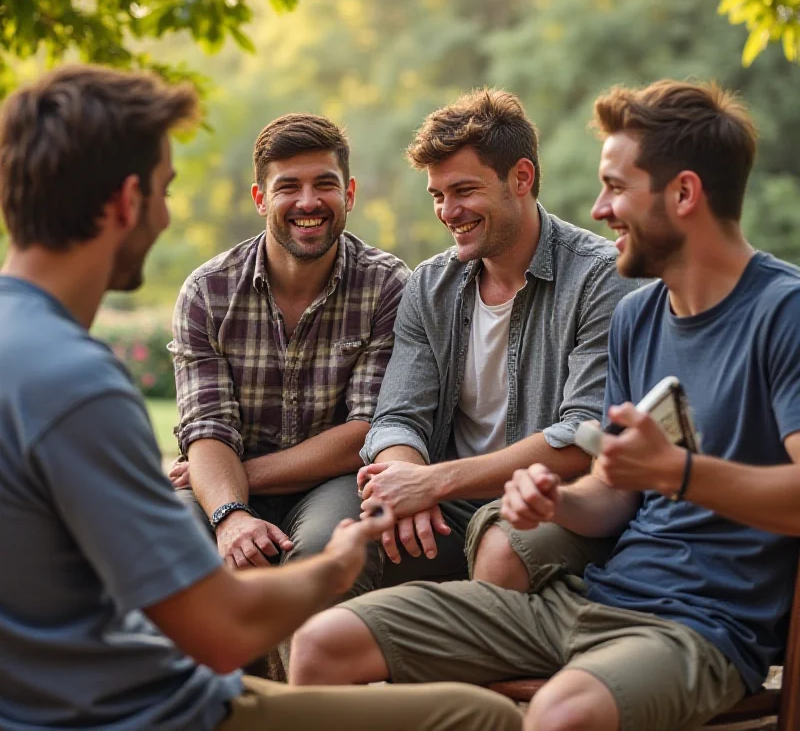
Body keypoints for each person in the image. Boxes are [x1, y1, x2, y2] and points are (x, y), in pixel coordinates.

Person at [0, 64, 522, 731]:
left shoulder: (31, 356)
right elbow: (221, 624)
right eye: (165, 191)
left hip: (91, 692)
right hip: (145, 710)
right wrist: (333, 567)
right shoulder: (79, 386)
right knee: (483, 717)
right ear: (128, 201)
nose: (165, 214)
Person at [291, 79, 800, 731]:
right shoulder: (640, 314)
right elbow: (614, 494)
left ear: (683, 194)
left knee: (560, 713)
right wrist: (558, 502)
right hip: (591, 598)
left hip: (698, 627)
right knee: (320, 645)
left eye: (616, 187)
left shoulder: (781, 313)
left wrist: (673, 473)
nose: (598, 207)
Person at [356, 88, 635, 585]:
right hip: (449, 503)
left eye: (464, 191)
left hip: (552, 504)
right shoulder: (429, 284)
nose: (447, 211)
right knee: (349, 546)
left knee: (501, 548)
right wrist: (405, 484)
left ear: (521, 178)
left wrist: (432, 482)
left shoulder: (599, 277)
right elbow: (399, 416)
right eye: (438, 196)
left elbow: (582, 436)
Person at [167, 113, 409, 608]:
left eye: (325, 184)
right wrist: (230, 511)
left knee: (324, 553)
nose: (308, 202)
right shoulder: (207, 292)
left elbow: (366, 432)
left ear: (350, 193)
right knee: (171, 546)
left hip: (334, 482)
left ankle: (308, 683)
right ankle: (207, 685)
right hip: (222, 482)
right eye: (288, 187)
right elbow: (207, 430)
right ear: (260, 199)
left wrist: (227, 474)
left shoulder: (387, 286)